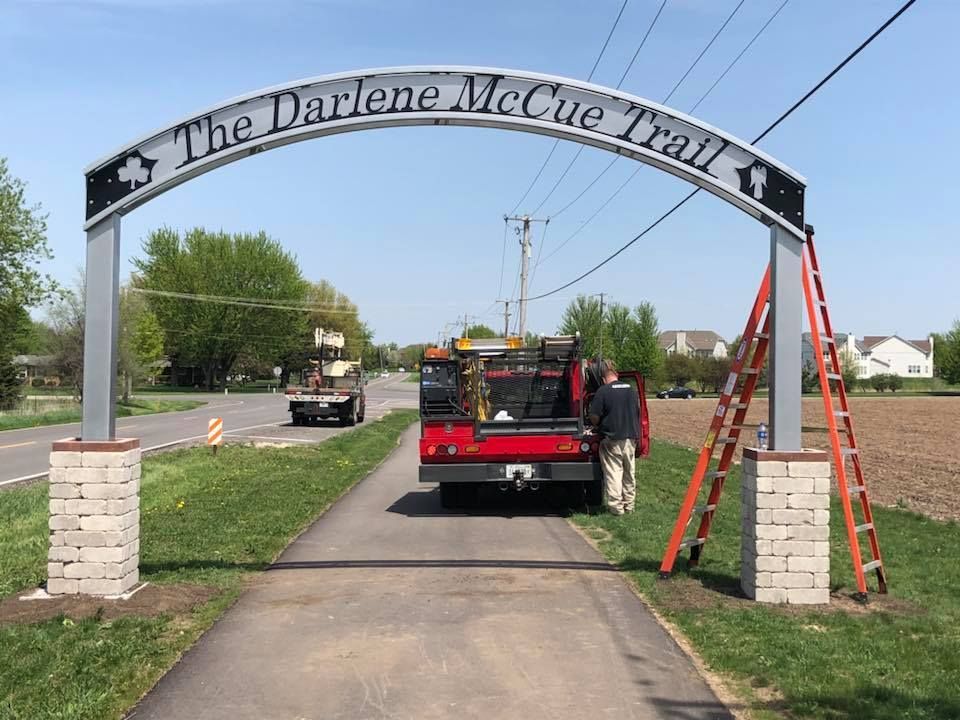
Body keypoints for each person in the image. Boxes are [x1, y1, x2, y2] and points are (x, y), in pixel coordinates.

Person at [588, 360, 640, 515]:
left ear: (604, 379)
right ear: (616, 375)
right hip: (630, 437)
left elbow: (594, 416)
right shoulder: (631, 390)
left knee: (614, 473)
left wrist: (596, 425)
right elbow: (637, 412)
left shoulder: (603, 391)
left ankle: (616, 508)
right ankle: (629, 506)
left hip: (612, 439)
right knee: (629, 473)